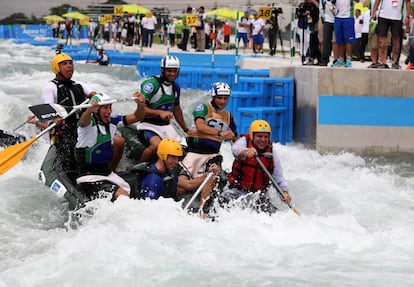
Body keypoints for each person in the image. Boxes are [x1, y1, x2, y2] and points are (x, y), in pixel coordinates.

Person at [75, 93, 145, 202]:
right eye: (105, 108)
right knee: (122, 195)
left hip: (106, 173)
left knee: (130, 189)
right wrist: (89, 110)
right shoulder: (87, 126)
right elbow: (84, 121)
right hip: (89, 176)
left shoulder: (112, 122)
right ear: (96, 110)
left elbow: (137, 116)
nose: (109, 111)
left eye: (110, 107)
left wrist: (140, 105)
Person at [220, 119, 292, 214]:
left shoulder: (272, 154)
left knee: (275, 215)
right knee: (220, 204)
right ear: (252, 136)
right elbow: (235, 150)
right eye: (259, 136)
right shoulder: (244, 142)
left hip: (258, 196)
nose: (263, 140)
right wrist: (245, 152)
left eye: (266, 137)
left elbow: (279, 179)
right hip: (236, 192)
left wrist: (285, 193)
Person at [138, 138, 220, 211]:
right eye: (173, 157)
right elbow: (148, 211)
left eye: (178, 158)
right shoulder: (153, 180)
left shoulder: (165, 172)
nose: (177, 162)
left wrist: (209, 174)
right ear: (163, 155)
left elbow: (189, 184)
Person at [137, 55, 188, 163]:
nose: (172, 74)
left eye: (175, 71)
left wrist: (186, 130)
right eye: (169, 71)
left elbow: (177, 109)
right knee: (156, 146)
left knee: (181, 148)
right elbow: (142, 110)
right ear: (162, 70)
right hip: (148, 125)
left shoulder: (176, 87)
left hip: (166, 126)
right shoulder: (151, 84)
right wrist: (159, 112)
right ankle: (138, 171)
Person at [372, 0, 411, 69]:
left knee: (396, 40)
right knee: (381, 40)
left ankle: (395, 62)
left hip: (397, 17)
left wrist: (407, 16)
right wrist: (374, 11)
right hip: (383, 15)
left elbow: (408, 2)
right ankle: (381, 61)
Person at [330, 0, 356, 68]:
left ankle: (349, 59)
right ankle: (341, 59)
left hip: (348, 17)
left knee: (348, 40)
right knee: (339, 40)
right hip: (338, 17)